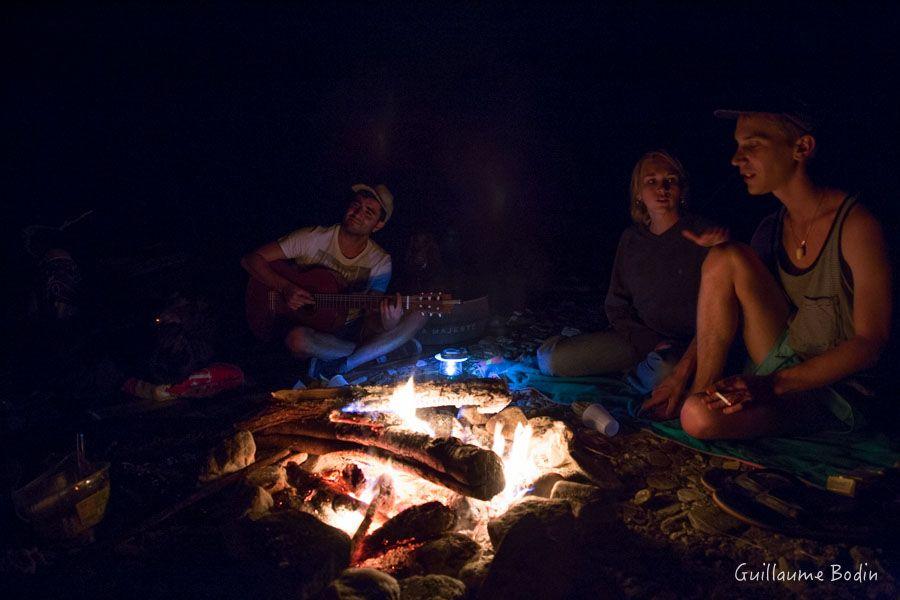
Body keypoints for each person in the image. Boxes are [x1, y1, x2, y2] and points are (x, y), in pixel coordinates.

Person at [678, 102, 892, 439]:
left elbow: (871, 342)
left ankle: (704, 411)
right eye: (737, 146)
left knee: (699, 418)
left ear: (801, 148)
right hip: (785, 358)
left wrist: (773, 385)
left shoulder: (856, 226)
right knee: (725, 256)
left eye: (753, 145)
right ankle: (700, 392)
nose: (737, 159)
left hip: (835, 387)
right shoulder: (772, 227)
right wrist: (681, 373)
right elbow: (721, 311)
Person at [537, 150, 727, 419]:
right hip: (638, 341)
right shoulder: (632, 240)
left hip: (684, 348)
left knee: (663, 371)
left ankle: (630, 377)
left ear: (681, 189)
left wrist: (724, 247)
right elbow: (616, 305)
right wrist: (648, 341)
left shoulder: (702, 233)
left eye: (670, 180)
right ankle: (626, 371)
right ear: (638, 193)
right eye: (651, 181)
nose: (662, 188)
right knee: (552, 361)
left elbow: (720, 305)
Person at [241, 183, 422, 378]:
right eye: (356, 205)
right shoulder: (313, 238)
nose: (358, 214)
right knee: (297, 340)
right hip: (314, 330)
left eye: (369, 212)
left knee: (420, 313)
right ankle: (377, 353)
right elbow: (250, 260)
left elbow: (371, 319)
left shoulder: (380, 261)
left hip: (350, 331)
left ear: (378, 225)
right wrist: (285, 287)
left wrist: (388, 323)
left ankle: (349, 362)